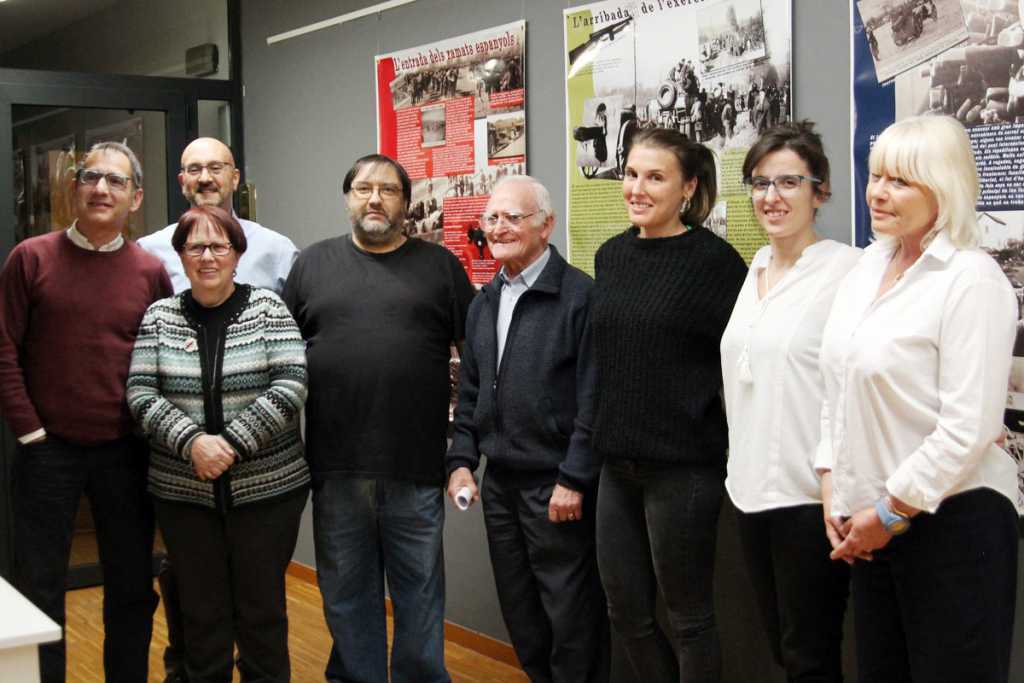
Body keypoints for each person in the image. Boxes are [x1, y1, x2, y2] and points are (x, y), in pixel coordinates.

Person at [818, 115, 1018, 682]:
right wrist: (834, 490)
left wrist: (887, 513)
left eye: (900, 181)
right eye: (875, 175)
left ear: (944, 188)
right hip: (871, 528)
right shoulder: (867, 267)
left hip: (955, 523)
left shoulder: (971, 281)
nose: (878, 192)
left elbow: (968, 428)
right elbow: (836, 388)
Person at [282, 154, 475, 683]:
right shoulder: (311, 266)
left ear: (405, 204)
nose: (374, 199)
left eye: (387, 190)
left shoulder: (441, 268)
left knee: (419, 595)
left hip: (415, 466)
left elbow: (478, 363)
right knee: (346, 595)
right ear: (347, 198)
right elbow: (280, 359)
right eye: (363, 188)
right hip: (335, 465)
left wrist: (463, 447)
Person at [0, 141, 170, 682]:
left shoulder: (149, 271)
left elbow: (163, 354)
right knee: (38, 586)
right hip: (47, 452)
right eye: (91, 177)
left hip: (125, 452)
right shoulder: (31, 258)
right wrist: (28, 430)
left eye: (115, 181)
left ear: (135, 198)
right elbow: (3, 345)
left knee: (130, 586)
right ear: (73, 188)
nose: (101, 189)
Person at [137, 136, 298, 683]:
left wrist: (229, 444)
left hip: (265, 487)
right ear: (178, 257)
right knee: (199, 617)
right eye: (195, 249)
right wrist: (192, 444)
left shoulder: (270, 300)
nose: (207, 256)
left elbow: (292, 379)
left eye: (220, 247)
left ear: (238, 252)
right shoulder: (159, 313)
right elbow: (140, 391)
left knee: (262, 616)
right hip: (183, 489)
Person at [589, 127, 747, 682]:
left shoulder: (717, 263)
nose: (637, 187)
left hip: (683, 470)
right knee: (625, 612)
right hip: (616, 468)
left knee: (689, 619)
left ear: (688, 188)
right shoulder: (610, 257)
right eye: (631, 174)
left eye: (655, 177)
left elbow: (742, 364)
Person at [446, 176, 609, 683]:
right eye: (492, 218)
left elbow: (593, 399)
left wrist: (574, 478)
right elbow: (470, 392)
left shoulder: (579, 297)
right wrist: (460, 464)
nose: (498, 228)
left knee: (571, 616)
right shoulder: (485, 301)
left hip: (556, 487)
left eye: (512, 217)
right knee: (521, 611)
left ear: (546, 225)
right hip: (500, 487)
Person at [721, 121, 860, 682]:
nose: (771, 197)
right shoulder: (753, 267)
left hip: (811, 496)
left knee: (810, 654)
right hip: (750, 490)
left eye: (788, 183)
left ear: (819, 192)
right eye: (760, 183)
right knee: (783, 647)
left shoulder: (849, 270)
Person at [138, 137, 298, 295]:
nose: (205, 178)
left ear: (235, 179)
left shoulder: (277, 251)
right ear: (182, 182)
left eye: (216, 168)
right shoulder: (151, 251)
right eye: (194, 169)